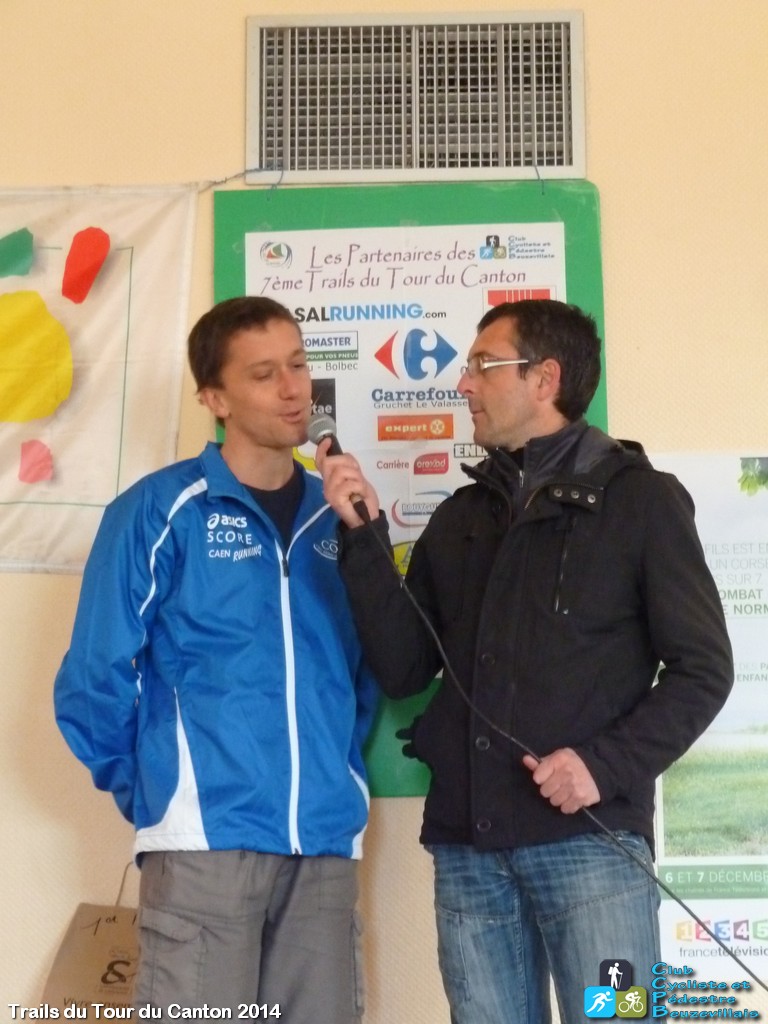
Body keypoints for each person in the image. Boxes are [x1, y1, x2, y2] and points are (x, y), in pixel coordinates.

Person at [316, 299, 733, 1024]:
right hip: (469, 856)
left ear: (545, 379)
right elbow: (405, 668)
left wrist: (602, 766)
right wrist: (363, 536)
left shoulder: (642, 502)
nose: (463, 384)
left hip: (593, 849)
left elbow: (704, 670)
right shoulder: (461, 517)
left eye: (483, 365)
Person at [54, 296, 378, 1022]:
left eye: (298, 365)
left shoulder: (337, 515)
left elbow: (362, 674)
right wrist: (158, 792)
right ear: (215, 398)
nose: (293, 389)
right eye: (264, 374)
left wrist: (339, 772)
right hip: (204, 841)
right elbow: (94, 677)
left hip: (323, 841)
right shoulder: (159, 510)